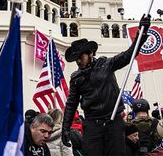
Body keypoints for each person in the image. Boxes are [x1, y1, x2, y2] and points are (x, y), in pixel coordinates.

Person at [61, 15, 151, 156]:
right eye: (76, 59)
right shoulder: (76, 78)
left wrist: (141, 34)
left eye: (81, 57)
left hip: (113, 120)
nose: (78, 61)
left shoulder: (107, 64)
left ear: (91, 53)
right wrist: (65, 128)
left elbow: (129, 55)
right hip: (92, 124)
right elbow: (71, 103)